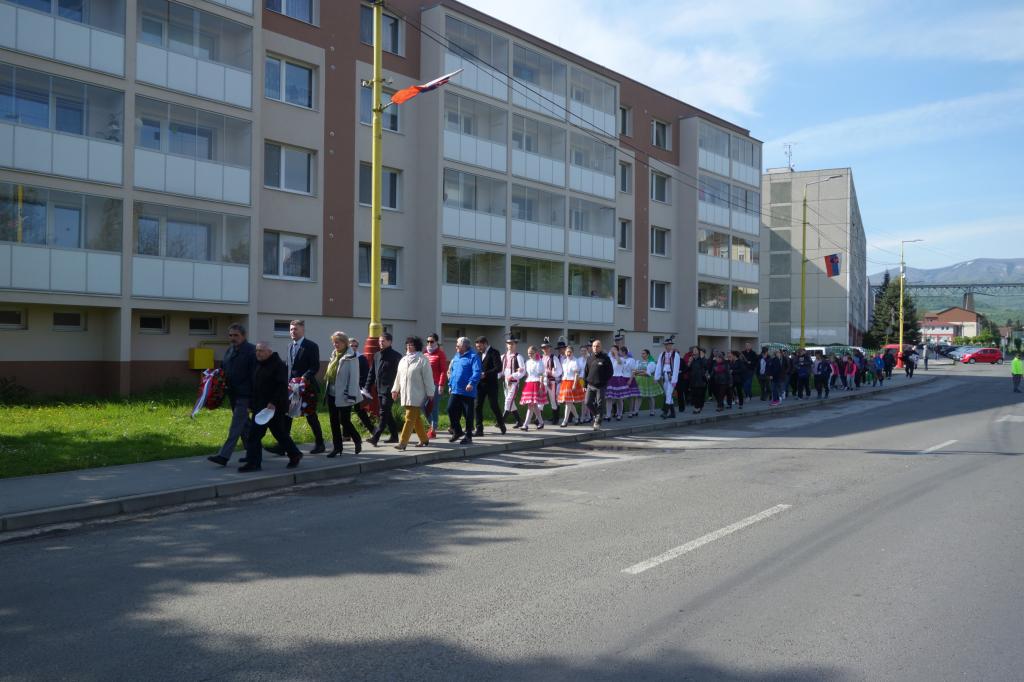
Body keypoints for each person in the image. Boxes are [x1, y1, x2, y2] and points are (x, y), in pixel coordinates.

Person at [241, 342, 303, 472]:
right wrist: (251, 404)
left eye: (261, 350)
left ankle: (253, 463)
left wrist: (273, 402)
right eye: (257, 350)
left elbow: (281, 386)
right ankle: (294, 454)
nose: (258, 353)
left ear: (269, 352)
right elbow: (255, 386)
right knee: (278, 433)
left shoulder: (278, 365)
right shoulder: (258, 364)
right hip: (260, 406)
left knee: (255, 435)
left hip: (273, 407)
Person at [268, 320, 325, 455]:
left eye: (295, 329)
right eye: (291, 329)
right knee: (286, 416)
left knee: (310, 416)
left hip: (306, 387)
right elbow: (289, 367)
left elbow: (314, 367)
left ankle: (320, 444)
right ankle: (283, 446)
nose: (293, 332)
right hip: (290, 388)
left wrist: (303, 378)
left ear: (302, 330)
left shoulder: (311, 346)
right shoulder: (289, 346)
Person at [208, 323, 256, 467]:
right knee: (245, 426)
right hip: (233, 394)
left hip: (245, 395)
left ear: (243, 336)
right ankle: (253, 453)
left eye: (236, 335)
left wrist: (253, 399)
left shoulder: (251, 351)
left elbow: (255, 376)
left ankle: (224, 456)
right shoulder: (230, 350)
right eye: (230, 335)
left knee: (236, 426)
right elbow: (224, 369)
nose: (233, 338)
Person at [390, 336, 435, 451]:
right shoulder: (403, 360)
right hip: (405, 394)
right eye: (408, 344)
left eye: (412, 345)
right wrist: (395, 390)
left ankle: (402, 442)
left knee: (409, 417)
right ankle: (424, 439)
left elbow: (428, 378)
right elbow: (398, 376)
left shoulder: (422, 359)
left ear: (417, 346)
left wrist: (430, 393)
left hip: (417, 394)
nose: (409, 347)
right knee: (416, 418)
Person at [324, 331, 363, 457]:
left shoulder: (351, 357)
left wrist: (351, 396)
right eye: (334, 342)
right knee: (333, 421)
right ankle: (337, 448)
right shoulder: (334, 354)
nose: (335, 344)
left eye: (338, 342)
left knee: (344, 421)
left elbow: (354, 378)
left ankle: (357, 438)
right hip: (331, 393)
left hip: (344, 394)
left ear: (345, 343)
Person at [364, 332, 402, 446]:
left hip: (391, 390)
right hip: (379, 389)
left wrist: (398, 389)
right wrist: (367, 388)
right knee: (387, 413)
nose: (380, 343)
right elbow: (372, 373)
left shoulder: (396, 356)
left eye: (383, 341)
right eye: (380, 341)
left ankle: (375, 437)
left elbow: (400, 375)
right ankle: (394, 436)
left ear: (390, 342)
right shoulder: (377, 355)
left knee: (383, 413)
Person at [447, 337, 482, 444]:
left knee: (468, 414)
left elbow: (477, 372)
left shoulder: (473, 357)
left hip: (467, 390)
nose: (456, 347)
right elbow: (452, 372)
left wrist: (471, 383)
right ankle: (457, 431)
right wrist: (450, 385)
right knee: (450, 409)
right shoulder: (456, 356)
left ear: (465, 346)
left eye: (458, 345)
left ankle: (468, 436)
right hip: (456, 389)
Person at [474, 336, 505, 436]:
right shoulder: (478, 354)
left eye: (479, 346)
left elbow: (498, 368)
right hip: (480, 385)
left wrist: (486, 374)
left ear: (485, 343)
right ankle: (479, 429)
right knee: (477, 406)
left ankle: (501, 423)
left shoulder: (494, 352)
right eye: (477, 347)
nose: (478, 349)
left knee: (494, 405)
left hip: (491, 384)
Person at [348, 337, 376, 434]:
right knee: (345, 412)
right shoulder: (345, 357)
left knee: (359, 410)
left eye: (355, 346)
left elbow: (366, 375)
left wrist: (361, 388)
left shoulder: (361, 358)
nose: (354, 347)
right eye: (351, 345)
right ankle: (346, 434)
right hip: (346, 388)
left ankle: (373, 430)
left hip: (357, 388)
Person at [423, 333, 448, 440]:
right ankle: (432, 425)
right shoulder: (424, 353)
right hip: (424, 384)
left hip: (435, 384)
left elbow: (443, 371)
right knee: (422, 405)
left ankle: (433, 429)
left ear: (436, 342)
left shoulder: (440, 354)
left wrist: (441, 385)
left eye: (432, 341)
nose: (429, 343)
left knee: (433, 407)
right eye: (428, 341)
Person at [584, 338, 613, 430]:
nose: (595, 348)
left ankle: (597, 422)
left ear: (601, 347)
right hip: (590, 385)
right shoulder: (589, 358)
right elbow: (586, 372)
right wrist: (585, 384)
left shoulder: (606, 358)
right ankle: (597, 415)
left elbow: (610, 372)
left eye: (597, 346)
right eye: (594, 346)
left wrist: (603, 381)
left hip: (601, 386)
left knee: (600, 404)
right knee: (587, 402)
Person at [519, 345, 548, 431]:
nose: (530, 355)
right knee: (533, 405)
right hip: (529, 383)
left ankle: (525, 424)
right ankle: (541, 422)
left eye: (532, 353)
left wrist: (541, 386)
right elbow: (526, 373)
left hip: (537, 384)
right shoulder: (528, 362)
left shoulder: (540, 362)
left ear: (536, 353)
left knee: (531, 405)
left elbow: (541, 375)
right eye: (529, 353)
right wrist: (520, 371)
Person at [500, 335, 526, 429]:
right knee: (511, 402)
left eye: (512, 343)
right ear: (506, 345)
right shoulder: (503, 356)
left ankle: (501, 421)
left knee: (508, 400)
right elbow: (500, 370)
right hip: (505, 382)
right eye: (509, 343)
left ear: (515, 345)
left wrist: (513, 376)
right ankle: (519, 421)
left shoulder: (518, 357)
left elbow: (523, 371)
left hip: (514, 382)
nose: (510, 345)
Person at [557, 345, 585, 426]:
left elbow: (576, 374)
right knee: (568, 402)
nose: (568, 353)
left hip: (572, 382)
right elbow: (563, 373)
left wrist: (575, 384)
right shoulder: (564, 361)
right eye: (567, 352)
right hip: (565, 382)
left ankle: (565, 421)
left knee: (568, 402)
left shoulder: (575, 361)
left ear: (572, 352)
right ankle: (577, 417)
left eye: (570, 352)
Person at [654, 336, 681, 418]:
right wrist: (656, 377)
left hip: (671, 376)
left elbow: (676, 368)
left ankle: (665, 412)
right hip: (664, 376)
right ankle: (673, 413)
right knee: (668, 395)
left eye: (668, 345)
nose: (667, 346)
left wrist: (674, 380)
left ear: (671, 345)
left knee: (669, 394)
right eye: (666, 345)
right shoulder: (662, 354)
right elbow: (658, 366)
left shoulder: (675, 355)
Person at [540, 338, 563, 425]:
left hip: (551, 382)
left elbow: (559, 371)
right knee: (541, 399)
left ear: (550, 348)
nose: (545, 349)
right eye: (543, 348)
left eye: (547, 347)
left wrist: (552, 373)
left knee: (553, 400)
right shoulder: (540, 358)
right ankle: (538, 418)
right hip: (542, 381)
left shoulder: (554, 358)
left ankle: (555, 418)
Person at [605, 345, 630, 421]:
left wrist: (616, 353)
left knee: (619, 398)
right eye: (611, 349)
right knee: (609, 398)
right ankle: (608, 415)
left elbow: (619, 362)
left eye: (614, 349)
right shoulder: (609, 358)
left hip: (618, 379)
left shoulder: (621, 359)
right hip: (610, 379)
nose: (612, 351)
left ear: (617, 351)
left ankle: (620, 414)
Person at [634, 349, 661, 416]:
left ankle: (652, 411)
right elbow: (635, 371)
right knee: (638, 396)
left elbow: (648, 373)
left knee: (650, 396)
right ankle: (636, 411)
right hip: (640, 381)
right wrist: (642, 372)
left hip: (648, 380)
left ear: (648, 354)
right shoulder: (639, 362)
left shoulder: (651, 363)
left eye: (644, 353)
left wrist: (639, 372)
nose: (642, 355)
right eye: (642, 353)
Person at [688, 348, 708, 413]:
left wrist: (702, 358)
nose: (694, 351)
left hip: (700, 379)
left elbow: (705, 366)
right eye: (693, 350)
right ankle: (698, 406)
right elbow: (688, 369)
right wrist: (689, 362)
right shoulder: (692, 359)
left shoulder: (701, 359)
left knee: (699, 394)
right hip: (693, 380)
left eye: (696, 350)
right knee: (694, 394)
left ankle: (698, 407)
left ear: (699, 351)